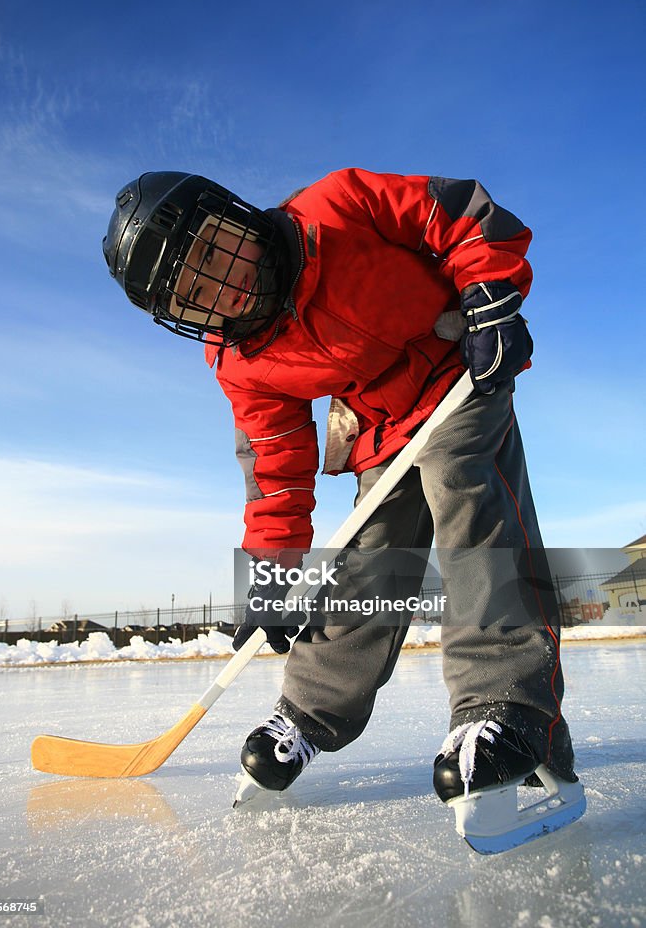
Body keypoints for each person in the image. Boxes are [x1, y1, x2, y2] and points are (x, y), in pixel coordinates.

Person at [102, 168, 584, 849]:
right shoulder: (240, 358)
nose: (222, 285)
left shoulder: (335, 207)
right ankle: (307, 713)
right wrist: (268, 578)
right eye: (197, 294)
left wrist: (489, 292)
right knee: (369, 560)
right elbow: (274, 471)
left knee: (459, 484)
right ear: (187, 317)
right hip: (380, 428)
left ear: (233, 215)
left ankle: (505, 706)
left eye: (213, 251)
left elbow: (455, 214)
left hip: (457, 368)